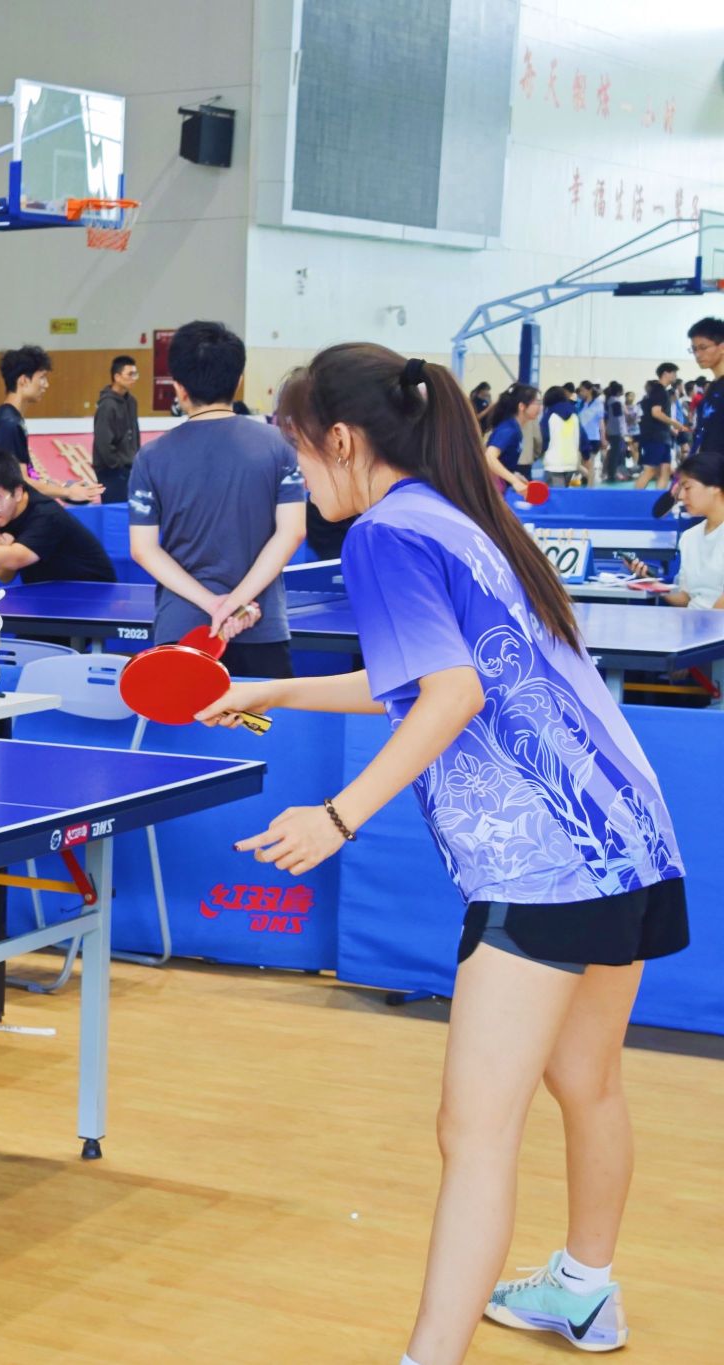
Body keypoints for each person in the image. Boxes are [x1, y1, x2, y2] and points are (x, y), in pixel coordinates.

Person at [206, 344, 685, 1365]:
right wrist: (275, 688)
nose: (300, 476)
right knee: (588, 1082)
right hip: (628, 839)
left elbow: (451, 695)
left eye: (300, 454)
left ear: (341, 440)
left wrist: (337, 816)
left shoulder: (384, 533)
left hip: (543, 864)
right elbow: (431, 676)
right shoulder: (455, 513)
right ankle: (584, 1292)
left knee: (472, 1131)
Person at [127, 320, 306, 677]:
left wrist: (212, 604)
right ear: (239, 381)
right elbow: (292, 532)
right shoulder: (280, 446)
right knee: (263, 715)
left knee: (186, 716)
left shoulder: (150, 457)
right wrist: (236, 603)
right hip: (258, 623)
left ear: (178, 388)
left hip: (183, 627)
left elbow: (143, 550)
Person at [0, 449, 114, 585]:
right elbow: (4, 576)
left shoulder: (47, 515)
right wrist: (2, 551)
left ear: (18, 492)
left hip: (91, 590)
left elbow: (16, 558)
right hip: (45, 593)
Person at [0, 345, 100, 505]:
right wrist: (67, 492)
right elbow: (20, 482)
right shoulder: (9, 424)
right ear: (24, 380)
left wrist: (57, 486)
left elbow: (26, 476)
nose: (46, 385)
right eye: (42, 377)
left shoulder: (12, 418)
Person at [655, 449, 724, 609]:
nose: (680, 496)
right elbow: (686, 598)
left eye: (687, 488)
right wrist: (653, 585)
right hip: (693, 621)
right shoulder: (689, 537)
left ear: (715, 487)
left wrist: (699, 623)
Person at [92, 354, 142, 503]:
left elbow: (135, 433)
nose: (134, 378)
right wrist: (116, 465)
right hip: (111, 470)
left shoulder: (132, 402)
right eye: (130, 374)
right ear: (117, 377)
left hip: (129, 467)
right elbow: (103, 441)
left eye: (136, 374)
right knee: (115, 510)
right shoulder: (107, 405)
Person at [478, 384, 538, 498]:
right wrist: (514, 480)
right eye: (536, 402)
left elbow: (502, 460)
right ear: (522, 406)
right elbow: (489, 457)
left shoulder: (516, 428)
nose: (540, 407)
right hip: (488, 489)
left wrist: (514, 475)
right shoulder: (509, 429)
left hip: (496, 488)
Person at [634, 370, 683, 491]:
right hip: (654, 437)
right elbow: (656, 413)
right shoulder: (659, 391)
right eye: (673, 373)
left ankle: (659, 497)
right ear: (666, 373)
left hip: (663, 437)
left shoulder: (658, 394)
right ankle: (633, 496)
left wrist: (671, 428)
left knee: (665, 469)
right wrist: (675, 423)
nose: (675, 376)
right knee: (650, 470)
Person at [688, 317, 724, 459]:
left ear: (722, 347)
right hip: (708, 465)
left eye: (703, 348)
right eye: (694, 349)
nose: (697, 354)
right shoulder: (712, 387)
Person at [538, 385, 582, 488]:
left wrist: (540, 453)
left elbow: (544, 438)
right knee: (568, 495)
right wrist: (586, 454)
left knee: (555, 495)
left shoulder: (549, 415)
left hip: (553, 464)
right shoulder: (574, 414)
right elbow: (582, 437)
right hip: (572, 463)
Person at [602, 381, 629, 481]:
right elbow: (618, 419)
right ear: (618, 391)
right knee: (615, 454)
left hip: (612, 430)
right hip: (616, 431)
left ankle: (611, 473)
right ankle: (612, 474)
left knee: (613, 453)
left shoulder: (610, 400)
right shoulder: (616, 402)